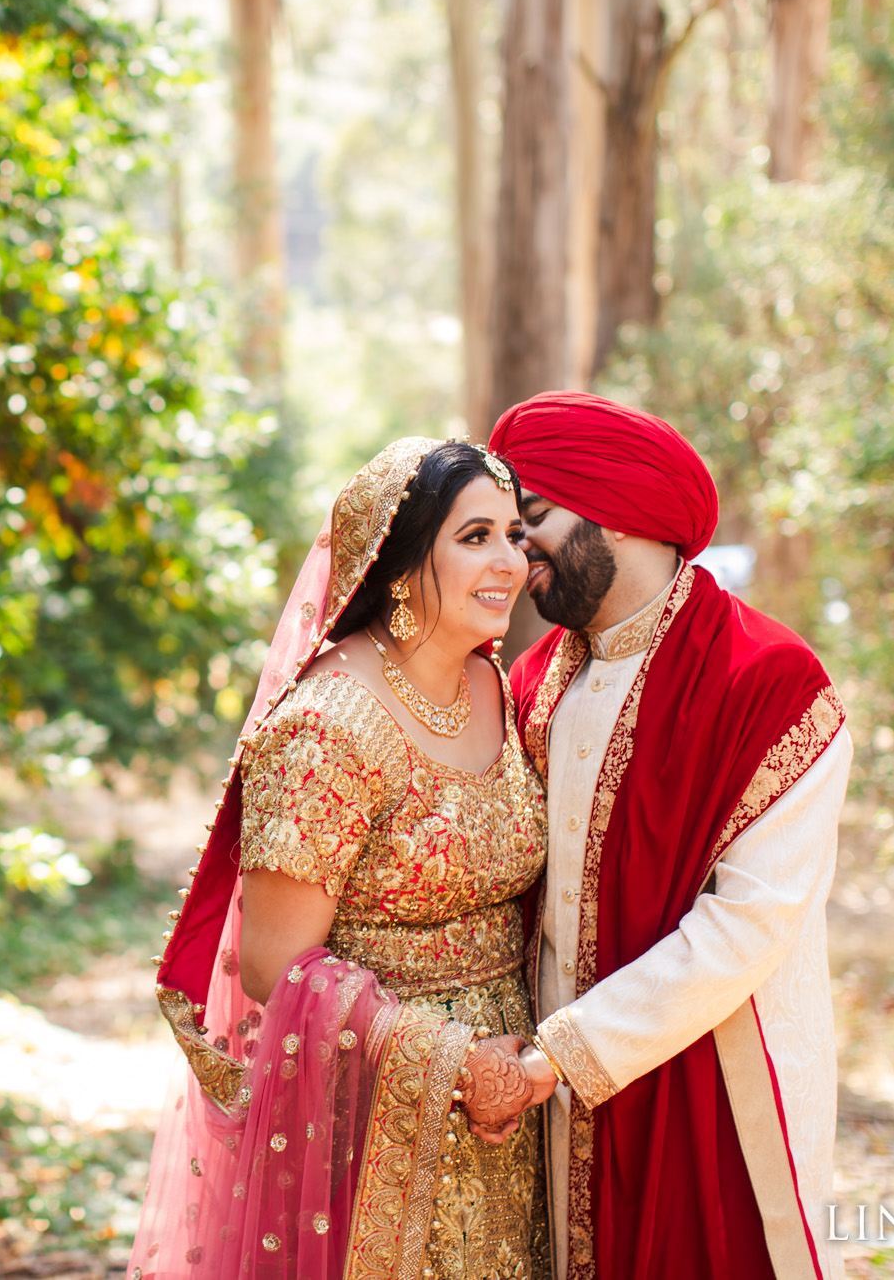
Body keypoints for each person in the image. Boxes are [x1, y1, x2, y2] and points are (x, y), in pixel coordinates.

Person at [128, 438, 560, 1280]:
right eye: (475, 536)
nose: (511, 559)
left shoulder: (493, 687)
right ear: (398, 565)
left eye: (515, 533)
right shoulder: (327, 725)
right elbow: (274, 964)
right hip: (368, 1123)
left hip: (511, 1105)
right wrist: (450, 1061)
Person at [484, 391, 850, 1280]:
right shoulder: (529, 684)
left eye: (531, 518)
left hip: (713, 1089)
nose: (514, 548)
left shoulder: (770, 685)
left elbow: (747, 926)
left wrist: (562, 1055)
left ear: (620, 512)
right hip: (540, 1107)